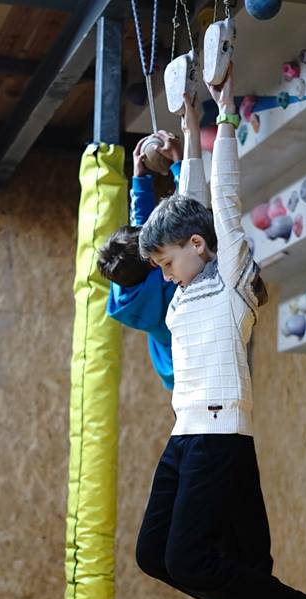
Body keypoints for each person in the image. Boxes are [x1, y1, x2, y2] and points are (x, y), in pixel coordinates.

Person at [134, 62, 306, 599]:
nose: (164, 273)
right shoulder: (182, 290)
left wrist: (223, 114)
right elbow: (192, 201)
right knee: (154, 554)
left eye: (167, 261)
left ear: (199, 249)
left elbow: (219, 200)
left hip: (219, 433)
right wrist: (189, 116)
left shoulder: (227, 281)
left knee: (192, 558)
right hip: (187, 435)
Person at [97, 106, 208, 390]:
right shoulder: (169, 279)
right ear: (154, 262)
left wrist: (140, 178)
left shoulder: (123, 284)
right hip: (191, 366)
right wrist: (178, 164)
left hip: (168, 367)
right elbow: (186, 218)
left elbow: (141, 227)